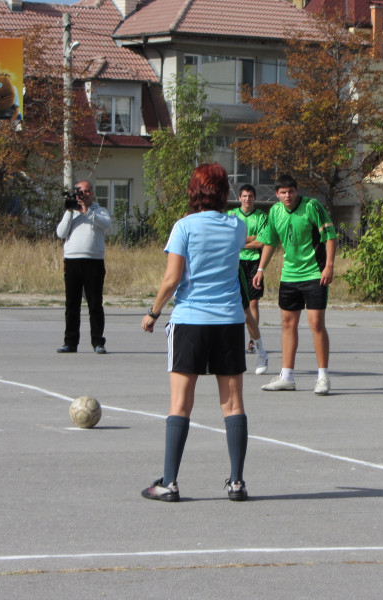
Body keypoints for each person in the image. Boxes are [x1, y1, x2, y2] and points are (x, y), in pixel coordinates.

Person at [140, 163, 249, 502]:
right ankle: (236, 482)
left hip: (191, 321)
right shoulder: (237, 225)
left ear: (194, 191)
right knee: (232, 404)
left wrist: (153, 311)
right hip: (229, 321)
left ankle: (169, 482)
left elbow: (173, 279)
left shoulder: (184, 226)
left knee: (180, 403)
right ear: (223, 192)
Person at [253, 174, 336, 395]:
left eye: (291, 191)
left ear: (296, 191)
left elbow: (330, 236)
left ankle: (322, 377)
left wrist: (329, 266)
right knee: (288, 325)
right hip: (289, 276)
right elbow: (269, 241)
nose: (287, 196)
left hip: (314, 273)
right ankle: (287, 376)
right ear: (276, 194)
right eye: (283, 192)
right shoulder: (275, 212)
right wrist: (261, 268)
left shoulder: (312, 206)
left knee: (316, 324)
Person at [55, 180, 110, 354]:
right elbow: (60, 233)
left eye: (86, 192)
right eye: (80, 192)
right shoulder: (71, 213)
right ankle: (70, 342)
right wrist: (70, 211)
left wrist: (87, 212)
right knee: (72, 304)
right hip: (72, 261)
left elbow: (106, 224)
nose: (83, 195)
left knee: (95, 303)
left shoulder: (99, 211)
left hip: (93, 262)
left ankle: (98, 342)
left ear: (92, 193)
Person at [228, 184, 270, 375]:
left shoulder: (261, 216)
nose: (247, 199)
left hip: (254, 263)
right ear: (239, 198)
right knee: (235, 303)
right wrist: (247, 239)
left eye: (251, 196)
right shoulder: (231, 215)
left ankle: (253, 340)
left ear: (254, 198)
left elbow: (261, 240)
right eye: (244, 196)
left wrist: (242, 241)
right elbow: (229, 238)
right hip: (236, 263)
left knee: (253, 302)